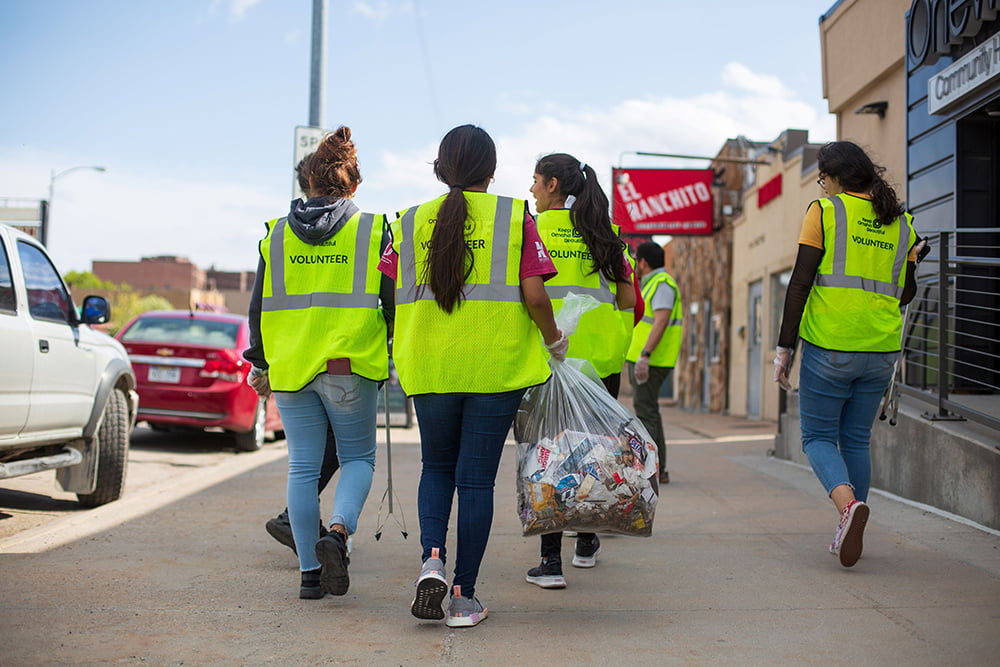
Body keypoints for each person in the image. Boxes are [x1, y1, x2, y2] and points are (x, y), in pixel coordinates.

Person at [379, 124, 565, 628]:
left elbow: (388, 289)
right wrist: (553, 339)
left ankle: (431, 561)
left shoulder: (411, 219)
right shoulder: (513, 217)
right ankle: (463, 596)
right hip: (495, 368)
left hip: (431, 367)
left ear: (440, 168)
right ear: (492, 169)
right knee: (476, 480)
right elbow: (533, 294)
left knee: (436, 468)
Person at [244, 126, 393, 598]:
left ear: (307, 183)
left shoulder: (275, 235)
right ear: (352, 185)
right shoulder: (373, 229)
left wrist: (259, 361)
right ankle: (338, 533)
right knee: (357, 458)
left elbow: (257, 306)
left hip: (290, 368)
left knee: (302, 470)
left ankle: (310, 575)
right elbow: (393, 303)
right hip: (348, 368)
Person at [773, 140, 920, 568]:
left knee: (817, 438)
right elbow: (906, 293)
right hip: (881, 350)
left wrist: (785, 348)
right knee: (856, 439)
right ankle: (852, 520)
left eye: (822, 179)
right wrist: (914, 260)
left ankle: (847, 509)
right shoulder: (903, 223)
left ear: (836, 176)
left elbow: (799, 283)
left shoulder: (826, 211)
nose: (821, 187)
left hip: (831, 345)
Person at [523, 152, 637, 589]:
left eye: (535, 180)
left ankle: (550, 562)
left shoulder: (533, 230)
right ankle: (586, 541)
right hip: (602, 363)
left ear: (552, 184)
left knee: (546, 456)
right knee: (591, 454)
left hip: (549, 361)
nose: (531, 188)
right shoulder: (606, 235)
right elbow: (627, 300)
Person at [625, 241, 683, 485]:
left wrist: (645, 355)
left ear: (643, 262)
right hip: (647, 358)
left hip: (652, 360)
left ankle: (655, 468)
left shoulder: (662, 285)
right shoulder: (653, 285)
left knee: (646, 412)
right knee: (648, 411)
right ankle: (658, 467)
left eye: (637, 261)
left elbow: (660, 321)